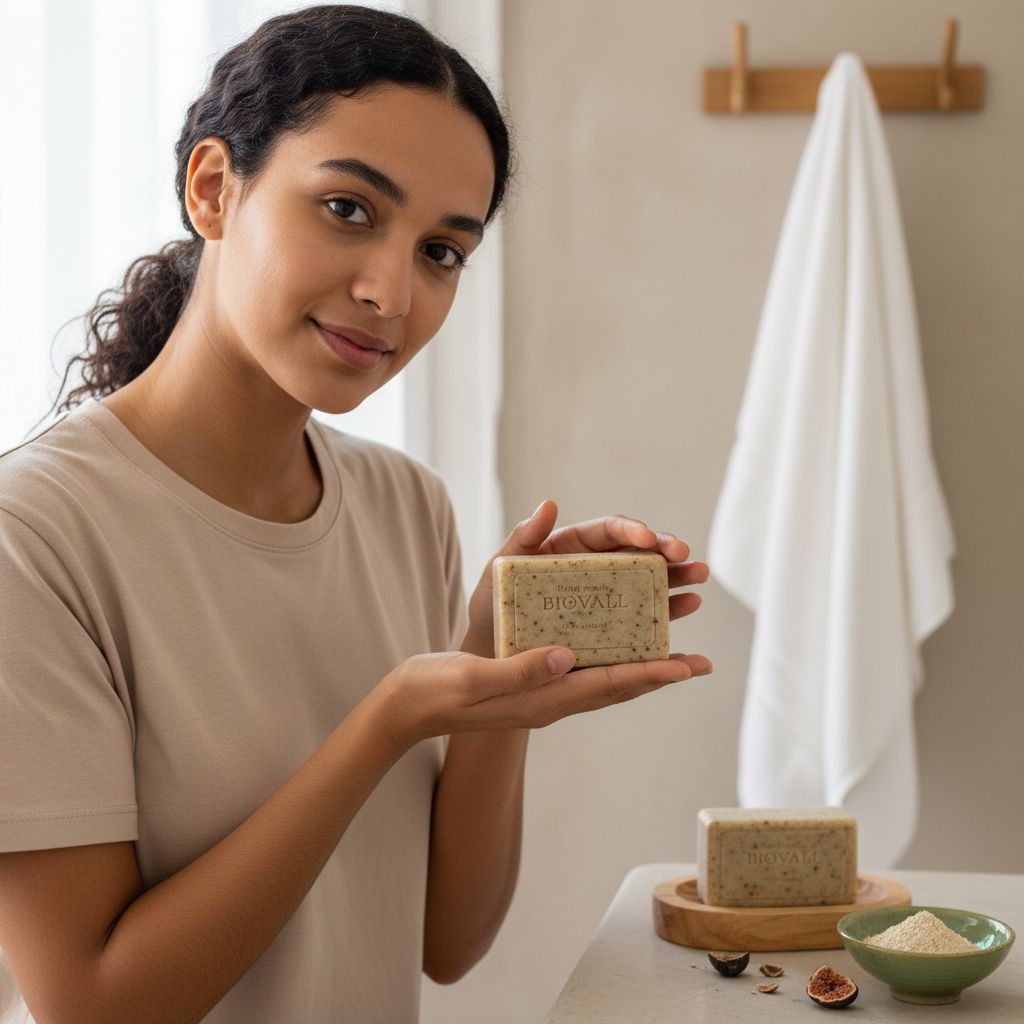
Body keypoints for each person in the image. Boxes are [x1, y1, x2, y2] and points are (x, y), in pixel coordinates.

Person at [0, 5, 712, 1022]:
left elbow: (447, 940)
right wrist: (385, 721)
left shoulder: (404, 505)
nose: (391, 291)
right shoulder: (32, 537)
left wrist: (492, 677)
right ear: (214, 188)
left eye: (441, 253)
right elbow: (93, 1004)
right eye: (346, 208)